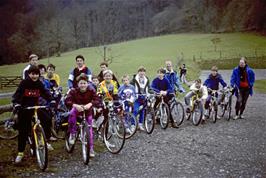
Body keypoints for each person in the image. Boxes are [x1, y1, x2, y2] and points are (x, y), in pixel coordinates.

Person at [12, 66, 55, 163]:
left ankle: (44, 140)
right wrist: (17, 103)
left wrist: (51, 100)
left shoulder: (39, 83)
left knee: (47, 118)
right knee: (23, 130)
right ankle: (20, 152)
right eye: (32, 74)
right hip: (25, 108)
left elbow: (45, 92)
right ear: (29, 74)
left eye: (36, 74)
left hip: (35, 106)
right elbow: (18, 94)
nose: (34, 76)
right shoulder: (24, 83)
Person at [65, 73, 102, 157]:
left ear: (87, 83)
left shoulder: (91, 90)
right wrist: (75, 105)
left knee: (90, 129)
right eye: (81, 83)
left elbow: (97, 100)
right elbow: (67, 100)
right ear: (78, 84)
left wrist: (90, 104)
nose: (83, 85)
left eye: (84, 83)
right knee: (71, 114)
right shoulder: (73, 91)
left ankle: (91, 148)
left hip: (87, 111)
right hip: (76, 110)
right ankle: (73, 133)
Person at [131, 66, 150, 131]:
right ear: (138, 72)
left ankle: (140, 124)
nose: (142, 73)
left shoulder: (146, 79)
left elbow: (148, 88)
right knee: (135, 110)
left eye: (143, 71)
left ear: (145, 73)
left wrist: (151, 92)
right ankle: (133, 124)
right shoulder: (134, 79)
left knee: (143, 111)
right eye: (140, 71)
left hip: (144, 97)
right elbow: (131, 87)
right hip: (137, 98)